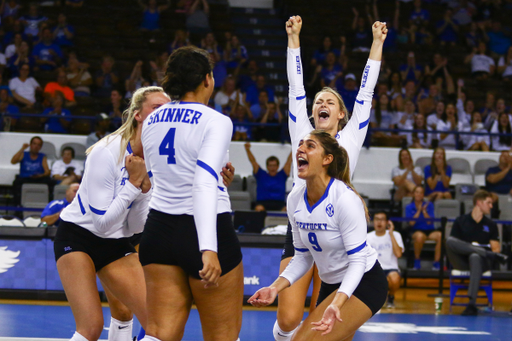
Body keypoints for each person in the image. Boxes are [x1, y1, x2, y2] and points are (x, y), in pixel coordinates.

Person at [271, 16, 386, 341]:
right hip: (302, 227)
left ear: (341, 115)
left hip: (339, 228)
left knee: (329, 324)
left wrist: (376, 43)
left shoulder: (350, 139)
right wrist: (294, 40)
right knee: (289, 318)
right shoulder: (301, 133)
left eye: (330, 101)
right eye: (318, 100)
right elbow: (296, 88)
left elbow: (366, 92)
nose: (322, 102)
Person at [138, 46, 243, 341]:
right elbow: (202, 182)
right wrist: (208, 247)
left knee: (159, 333)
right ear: (207, 79)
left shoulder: (151, 121)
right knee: (223, 335)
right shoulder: (216, 120)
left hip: (159, 229)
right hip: (204, 229)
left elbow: (166, 171)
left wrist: (222, 177)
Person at [53, 86, 172, 341]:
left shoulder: (156, 160)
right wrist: (133, 184)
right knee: (91, 328)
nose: (164, 114)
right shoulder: (106, 151)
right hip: (78, 237)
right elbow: (103, 223)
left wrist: (143, 192)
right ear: (138, 115)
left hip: (116, 242)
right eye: (157, 108)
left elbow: (135, 227)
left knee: (159, 323)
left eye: (169, 109)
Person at [248, 131, 387, 340]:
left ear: (327, 159)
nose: (301, 148)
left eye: (310, 146)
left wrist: (337, 303)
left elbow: (357, 261)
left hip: (364, 282)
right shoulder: (295, 199)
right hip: (330, 283)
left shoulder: (345, 199)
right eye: (300, 144)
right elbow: (302, 256)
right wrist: (274, 288)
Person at [446, 190, 507, 316]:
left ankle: (471, 304)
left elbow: (496, 249)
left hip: (482, 262)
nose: (491, 206)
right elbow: (454, 245)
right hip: (462, 260)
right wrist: (473, 247)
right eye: (489, 203)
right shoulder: (460, 221)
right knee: (449, 241)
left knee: (475, 256)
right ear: (479, 203)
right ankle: (482, 252)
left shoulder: (490, 225)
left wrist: (477, 250)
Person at [367, 211, 404, 309]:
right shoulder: (367, 237)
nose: (379, 222)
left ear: (387, 222)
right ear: (373, 221)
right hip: (373, 269)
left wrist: (391, 234)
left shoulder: (396, 235)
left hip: (390, 269)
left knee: (394, 279)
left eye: (382, 219)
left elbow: (398, 254)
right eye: (377, 219)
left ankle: (391, 297)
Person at [244, 142, 292, 212]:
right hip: (263, 203)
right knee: (258, 209)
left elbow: (289, 161)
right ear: (267, 166)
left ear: (278, 166)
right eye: (270, 165)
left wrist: (294, 148)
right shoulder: (260, 174)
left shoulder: (282, 175)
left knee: (287, 210)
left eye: (274, 165)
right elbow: (253, 161)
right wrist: (247, 149)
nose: (272, 168)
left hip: (279, 203)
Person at [405, 185, 440, 270]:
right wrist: (419, 211)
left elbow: (430, 221)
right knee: (420, 237)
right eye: (417, 192)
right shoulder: (409, 207)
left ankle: (436, 263)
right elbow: (411, 223)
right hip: (416, 230)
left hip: (429, 230)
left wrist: (424, 211)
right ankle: (417, 261)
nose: (419, 194)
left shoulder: (429, 205)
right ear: (414, 194)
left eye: (421, 193)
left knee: (440, 235)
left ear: (423, 195)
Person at [11, 136, 52, 206]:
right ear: (30, 145)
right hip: (25, 178)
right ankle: (18, 207)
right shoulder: (23, 154)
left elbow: (47, 171)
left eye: (38, 145)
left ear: (40, 147)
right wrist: (22, 149)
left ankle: (49, 206)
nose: (36, 146)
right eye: (34, 144)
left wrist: (41, 175)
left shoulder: (42, 156)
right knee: (16, 183)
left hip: (38, 178)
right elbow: (13, 161)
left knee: (51, 182)